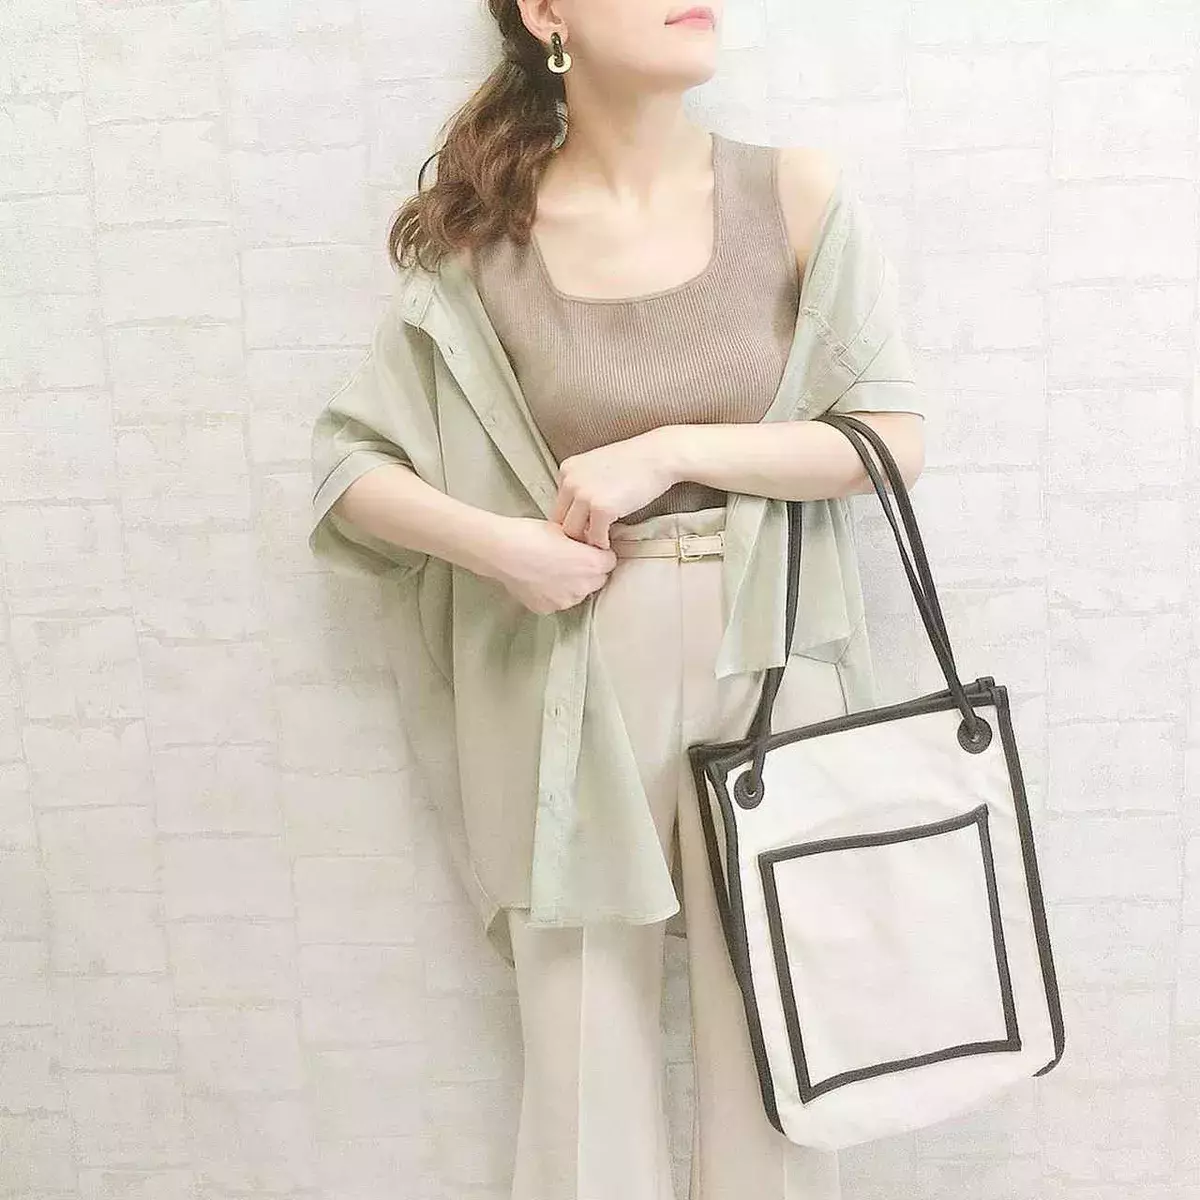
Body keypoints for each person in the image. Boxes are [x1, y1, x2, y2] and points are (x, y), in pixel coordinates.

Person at [308, 2, 928, 1197]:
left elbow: (890, 436)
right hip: (571, 683)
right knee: (583, 1056)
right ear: (548, 12)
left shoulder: (791, 194)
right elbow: (351, 466)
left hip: (772, 666)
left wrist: (669, 450)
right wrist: (501, 548)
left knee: (780, 1056)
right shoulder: (483, 242)